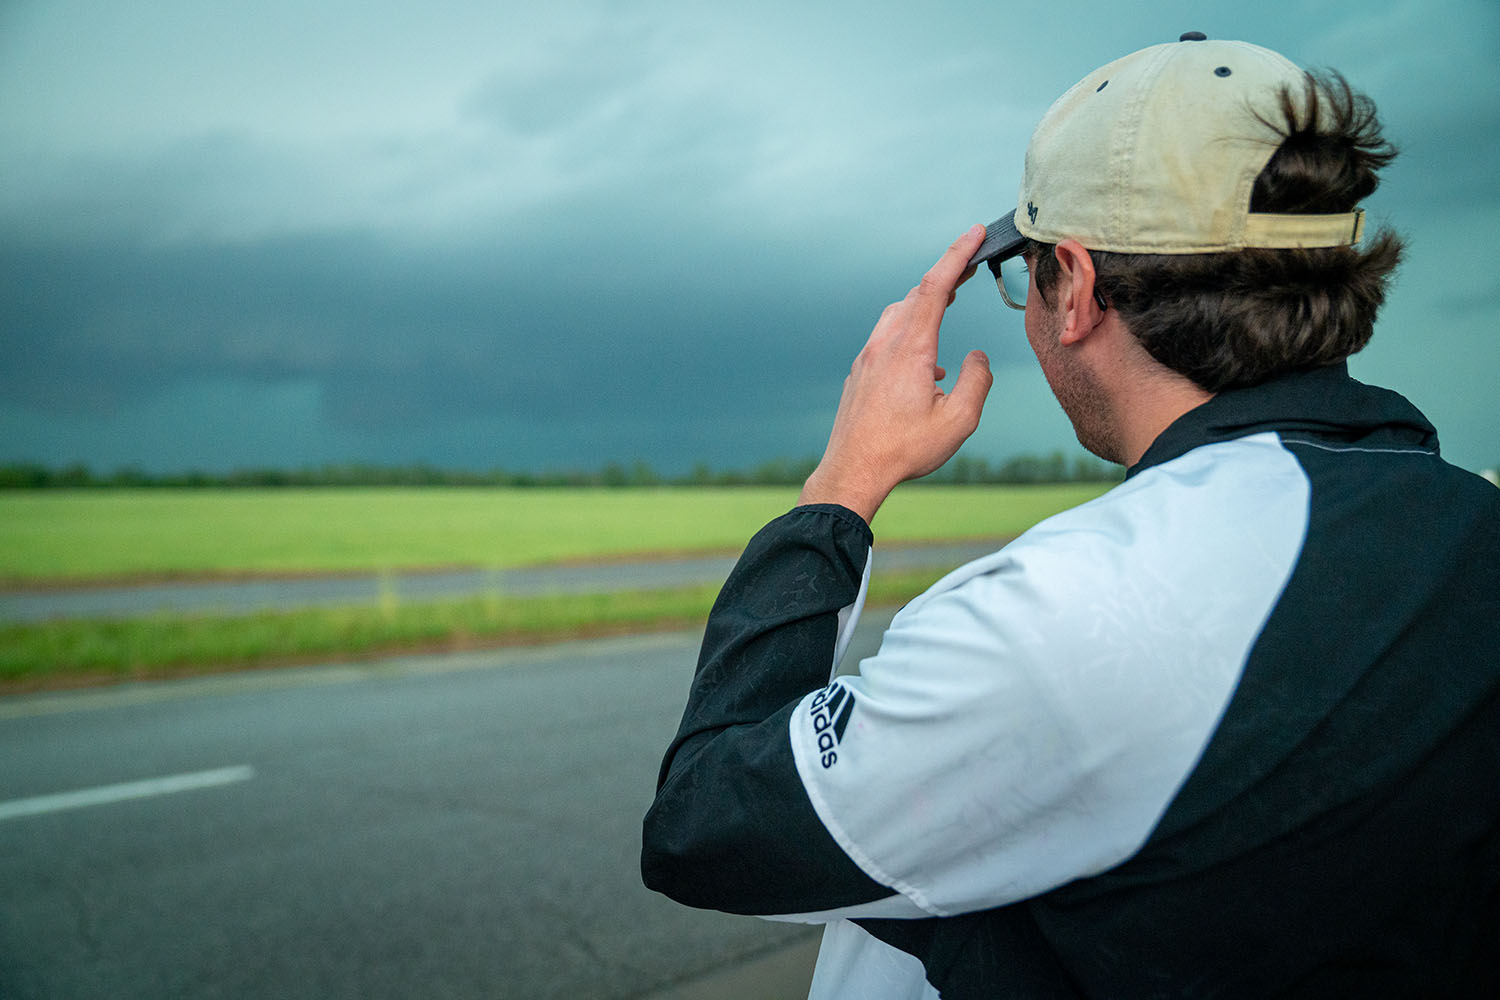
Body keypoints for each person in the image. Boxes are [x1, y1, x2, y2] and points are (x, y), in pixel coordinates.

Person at [641, 34, 1500, 998]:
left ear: (1078, 288)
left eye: (1029, 275)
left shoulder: (1070, 612)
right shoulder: (1469, 524)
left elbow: (706, 828)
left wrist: (841, 486)